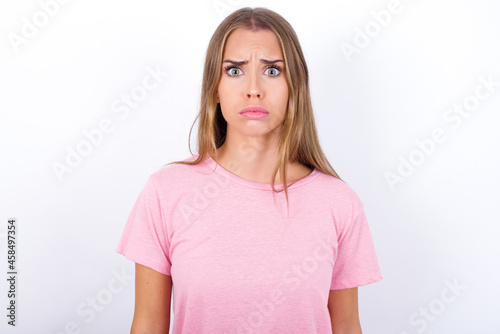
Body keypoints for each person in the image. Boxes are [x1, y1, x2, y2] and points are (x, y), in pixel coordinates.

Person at [116, 6, 382, 334]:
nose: (253, 89)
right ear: (214, 87)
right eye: (234, 71)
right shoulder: (165, 192)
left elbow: (347, 326)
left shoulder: (340, 203)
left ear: (294, 86)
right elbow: (148, 324)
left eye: (272, 71)